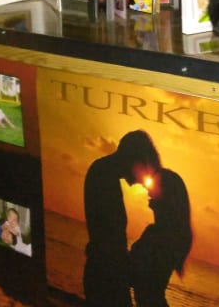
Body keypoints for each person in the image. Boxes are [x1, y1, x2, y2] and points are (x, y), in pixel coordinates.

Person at [82, 130, 162, 307]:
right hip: (106, 278)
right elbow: (107, 239)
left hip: (105, 274)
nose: (141, 182)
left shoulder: (103, 173)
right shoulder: (103, 176)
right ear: (134, 160)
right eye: (143, 171)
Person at [129, 168, 193, 307]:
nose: (148, 190)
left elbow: (134, 275)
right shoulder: (168, 234)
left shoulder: (158, 235)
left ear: (167, 196)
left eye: (155, 185)